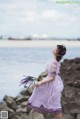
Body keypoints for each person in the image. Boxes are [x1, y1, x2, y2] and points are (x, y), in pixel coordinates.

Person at [27, 45, 66, 119]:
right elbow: (52, 76)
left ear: (57, 52)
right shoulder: (56, 61)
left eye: (55, 49)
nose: (53, 49)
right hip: (55, 84)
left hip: (53, 86)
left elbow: (52, 77)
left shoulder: (54, 62)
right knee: (56, 108)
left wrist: (40, 82)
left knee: (56, 109)